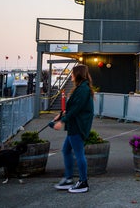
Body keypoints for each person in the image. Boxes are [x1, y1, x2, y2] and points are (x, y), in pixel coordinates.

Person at [52, 64, 94, 193]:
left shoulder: (83, 89)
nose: (71, 76)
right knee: (66, 150)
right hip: (75, 125)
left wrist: (62, 121)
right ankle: (69, 179)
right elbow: (73, 107)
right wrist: (60, 115)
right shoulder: (81, 88)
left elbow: (77, 109)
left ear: (77, 75)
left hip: (78, 125)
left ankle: (83, 182)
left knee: (79, 154)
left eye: (72, 73)